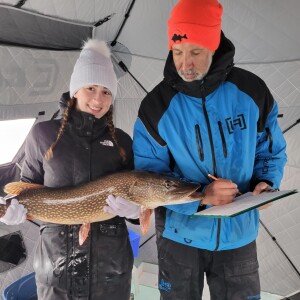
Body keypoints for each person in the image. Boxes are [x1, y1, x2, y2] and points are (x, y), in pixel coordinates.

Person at [131, 0, 287, 299]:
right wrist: (201, 196)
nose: (185, 64)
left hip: (238, 237)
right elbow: (148, 178)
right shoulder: (156, 106)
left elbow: (270, 152)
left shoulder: (252, 91)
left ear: (214, 46)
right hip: (180, 238)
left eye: (195, 52)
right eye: (177, 53)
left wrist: (265, 185)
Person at [0, 39, 140, 300]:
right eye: (90, 88)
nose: (98, 99)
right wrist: (13, 211)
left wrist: (135, 211)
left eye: (106, 91)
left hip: (110, 266)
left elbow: (137, 193)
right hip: (56, 265)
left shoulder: (123, 141)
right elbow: (27, 187)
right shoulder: (43, 134)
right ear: (75, 90)